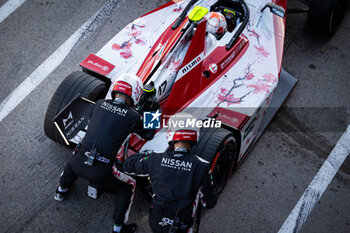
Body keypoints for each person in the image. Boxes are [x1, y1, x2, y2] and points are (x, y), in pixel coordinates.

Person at [54, 73, 158, 233]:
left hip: (77, 162)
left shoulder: (99, 103)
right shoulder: (133, 116)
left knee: (74, 160)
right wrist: (153, 107)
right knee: (130, 185)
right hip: (103, 171)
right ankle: (119, 228)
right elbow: (149, 134)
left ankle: (61, 191)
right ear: (135, 94)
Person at [122, 113, 218, 233]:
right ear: (194, 135)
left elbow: (128, 166)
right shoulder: (202, 166)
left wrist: (143, 155)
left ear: (171, 134)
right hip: (182, 226)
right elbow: (209, 202)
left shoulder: (154, 159)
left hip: (156, 222)